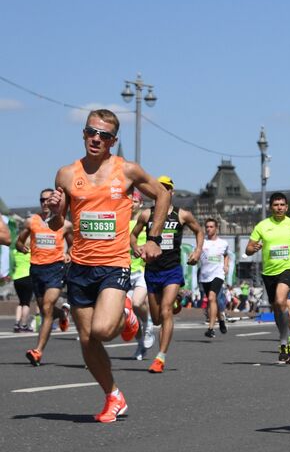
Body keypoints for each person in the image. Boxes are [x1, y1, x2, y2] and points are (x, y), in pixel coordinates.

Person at [45, 108, 170, 423]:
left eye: (104, 135)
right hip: (80, 266)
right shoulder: (65, 174)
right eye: (91, 132)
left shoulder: (127, 170)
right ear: (84, 133)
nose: (96, 139)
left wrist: (154, 238)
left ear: (113, 141)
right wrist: (56, 212)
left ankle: (127, 313)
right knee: (87, 340)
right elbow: (58, 223)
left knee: (101, 330)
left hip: (114, 264)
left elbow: (162, 195)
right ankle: (113, 395)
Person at [132, 175, 203, 373]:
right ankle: (174, 301)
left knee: (166, 312)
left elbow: (199, 230)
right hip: (152, 270)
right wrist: (135, 246)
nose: (163, 190)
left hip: (172, 269)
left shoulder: (182, 215)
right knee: (156, 319)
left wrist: (197, 250)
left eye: (167, 188)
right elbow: (133, 235)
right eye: (159, 187)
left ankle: (160, 357)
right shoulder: (147, 215)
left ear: (171, 192)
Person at [15, 188, 74, 365]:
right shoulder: (31, 221)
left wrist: (68, 254)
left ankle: (38, 351)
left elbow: (73, 245)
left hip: (56, 268)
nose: (45, 203)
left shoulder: (65, 224)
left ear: (55, 202)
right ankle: (63, 315)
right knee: (44, 309)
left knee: (47, 306)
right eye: (42, 200)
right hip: (36, 269)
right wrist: (21, 247)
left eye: (49, 199)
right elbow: (18, 242)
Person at [246, 192, 290, 364]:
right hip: (269, 272)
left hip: (288, 268)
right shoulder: (262, 226)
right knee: (277, 309)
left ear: (286, 207)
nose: (279, 207)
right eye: (276, 205)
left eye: (282, 205)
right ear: (270, 207)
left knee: (281, 301)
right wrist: (254, 248)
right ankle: (285, 341)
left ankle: (284, 342)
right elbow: (248, 249)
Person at [128, 190, 154, 360]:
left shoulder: (144, 221)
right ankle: (140, 343)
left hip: (142, 270)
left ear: (140, 204)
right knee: (127, 315)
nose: (131, 204)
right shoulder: (120, 221)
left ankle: (148, 323)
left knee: (137, 303)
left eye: (135, 201)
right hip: (123, 270)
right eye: (129, 201)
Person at [199, 218, 230, 338]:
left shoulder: (223, 243)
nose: (208, 229)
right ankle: (221, 320)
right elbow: (196, 254)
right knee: (214, 301)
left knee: (212, 298)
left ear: (216, 228)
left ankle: (211, 328)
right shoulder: (202, 242)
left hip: (218, 274)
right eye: (207, 227)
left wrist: (226, 265)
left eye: (211, 227)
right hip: (205, 275)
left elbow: (226, 255)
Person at [12, 243, 34, 332]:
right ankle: (24, 325)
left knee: (20, 302)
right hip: (28, 277)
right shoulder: (31, 253)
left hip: (17, 278)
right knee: (26, 303)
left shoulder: (14, 252)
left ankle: (16, 324)